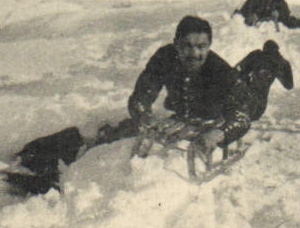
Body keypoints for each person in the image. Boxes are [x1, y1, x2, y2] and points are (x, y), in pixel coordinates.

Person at [94, 16, 251, 155]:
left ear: (209, 45)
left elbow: (242, 117)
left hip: (214, 117)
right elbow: (142, 93)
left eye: (201, 46)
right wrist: (143, 115)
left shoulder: (220, 70)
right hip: (182, 114)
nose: (194, 53)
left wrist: (220, 133)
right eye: (187, 46)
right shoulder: (165, 58)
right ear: (176, 44)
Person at [235, 39, 295, 122]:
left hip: (247, 97)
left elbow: (238, 69)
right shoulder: (281, 62)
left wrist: (244, 77)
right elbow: (289, 85)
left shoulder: (256, 55)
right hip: (258, 103)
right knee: (250, 115)